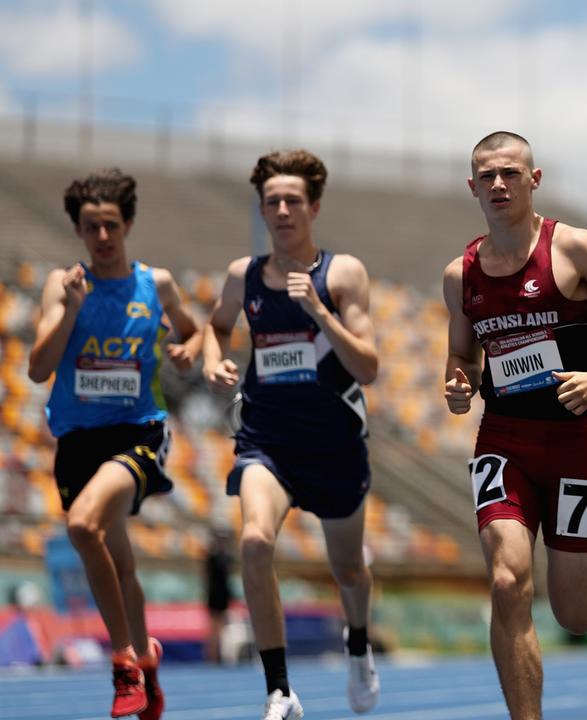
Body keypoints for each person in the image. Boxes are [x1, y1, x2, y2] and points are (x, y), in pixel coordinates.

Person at [442, 131, 587, 720]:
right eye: (486, 176)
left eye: (510, 173)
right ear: (472, 187)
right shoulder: (460, 275)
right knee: (509, 580)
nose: (498, 185)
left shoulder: (574, 249)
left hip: (574, 442)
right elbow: (462, 357)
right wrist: (459, 384)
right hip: (503, 441)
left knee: (576, 613)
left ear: (533, 180)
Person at [204, 149, 380, 719]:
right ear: (262, 209)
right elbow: (216, 326)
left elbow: (369, 367)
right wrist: (213, 359)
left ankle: (358, 643)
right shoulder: (243, 275)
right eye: (272, 201)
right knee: (255, 542)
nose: (282, 210)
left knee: (349, 570)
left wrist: (321, 313)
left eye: (293, 201)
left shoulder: (343, 273)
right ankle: (280, 689)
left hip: (333, 448)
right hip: (267, 442)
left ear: (314, 208)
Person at [29, 168, 204, 718]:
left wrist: (189, 348)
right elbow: (38, 368)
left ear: (127, 224)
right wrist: (73, 312)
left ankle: (124, 659)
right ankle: (149, 668)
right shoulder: (64, 286)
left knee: (82, 526)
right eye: (90, 227)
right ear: (79, 231)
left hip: (138, 433)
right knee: (121, 565)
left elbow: (192, 328)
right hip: (79, 439)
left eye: (110, 225)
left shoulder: (158, 284)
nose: (101, 237)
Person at [204, 526, 234, 664]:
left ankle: (217, 655)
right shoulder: (212, 557)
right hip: (215, 596)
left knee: (220, 629)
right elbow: (208, 577)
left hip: (222, 596)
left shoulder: (227, 557)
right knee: (214, 629)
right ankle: (212, 656)